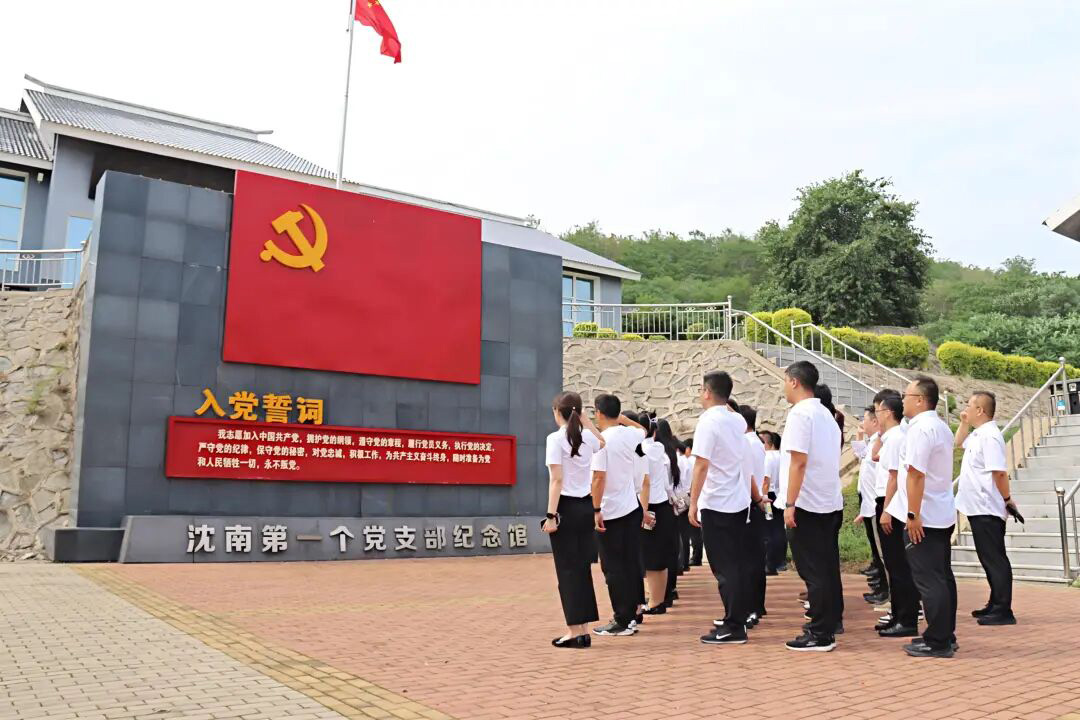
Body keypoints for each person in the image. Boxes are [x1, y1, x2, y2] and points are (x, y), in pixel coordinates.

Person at [887, 376, 958, 658]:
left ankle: (938, 641)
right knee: (942, 577)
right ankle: (945, 634)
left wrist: (913, 514)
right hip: (939, 512)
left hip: (924, 515)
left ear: (919, 400)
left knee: (929, 580)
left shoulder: (921, 429)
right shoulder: (940, 426)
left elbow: (916, 474)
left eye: (906, 395)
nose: (902, 400)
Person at [781, 361, 844, 652]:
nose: (784, 387)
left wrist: (790, 503)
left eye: (785, 380)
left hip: (807, 503)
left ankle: (820, 633)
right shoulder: (826, 415)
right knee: (827, 568)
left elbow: (798, 462)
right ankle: (827, 624)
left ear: (794, 381)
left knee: (813, 571)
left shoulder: (800, 414)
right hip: (828, 501)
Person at [689, 370, 754, 645]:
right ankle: (737, 618)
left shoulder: (708, 421)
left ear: (707, 392)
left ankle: (734, 625)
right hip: (737, 500)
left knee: (724, 568)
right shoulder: (737, 420)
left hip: (717, 502)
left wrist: (693, 502)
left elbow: (701, 464)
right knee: (735, 563)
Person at [543, 392, 605, 648]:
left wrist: (550, 516)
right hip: (585, 507)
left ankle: (574, 631)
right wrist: (586, 421)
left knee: (567, 572)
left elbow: (556, 480)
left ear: (557, 412)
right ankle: (583, 630)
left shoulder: (555, 439)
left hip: (566, 509)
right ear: (578, 413)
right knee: (581, 570)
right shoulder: (587, 437)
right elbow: (602, 442)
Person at [955, 391, 1017, 626]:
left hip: (987, 507)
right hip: (977, 506)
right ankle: (995, 602)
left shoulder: (990, 436)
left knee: (994, 558)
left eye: (969, 405)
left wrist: (1007, 498)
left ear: (980, 410)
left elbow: (999, 472)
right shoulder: (978, 434)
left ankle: (1003, 609)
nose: (965, 408)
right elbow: (958, 443)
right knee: (987, 558)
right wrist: (963, 422)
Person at [590, 394, 648, 637]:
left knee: (613, 568)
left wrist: (595, 510)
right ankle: (633, 613)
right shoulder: (629, 435)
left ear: (599, 413)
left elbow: (598, 478)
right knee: (630, 563)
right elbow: (643, 429)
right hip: (631, 508)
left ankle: (622, 620)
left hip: (610, 511)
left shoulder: (601, 441)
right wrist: (624, 419)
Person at [874, 389, 920, 639]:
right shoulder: (891, 437)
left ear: (889, 413)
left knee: (898, 564)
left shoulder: (895, 438)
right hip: (889, 502)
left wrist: (886, 511)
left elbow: (893, 477)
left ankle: (906, 618)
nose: (876, 415)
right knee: (893, 564)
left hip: (890, 503)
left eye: (878, 410)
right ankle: (898, 613)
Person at [639, 413, 675, 616]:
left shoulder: (641, 450)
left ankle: (653, 601)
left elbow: (643, 483)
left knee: (650, 558)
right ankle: (659, 599)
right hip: (662, 505)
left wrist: (642, 512)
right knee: (659, 558)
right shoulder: (659, 448)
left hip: (647, 505)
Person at [852, 406, 887, 605]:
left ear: (875, 421)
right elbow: (861, 456)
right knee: (877, 552)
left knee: (882, 553)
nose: (862, 422)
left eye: (864, 419)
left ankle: (886, 591)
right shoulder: (873, 442)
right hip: (870, 505)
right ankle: (882, 589)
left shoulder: (880, 443)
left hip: (876, 504)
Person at [739, 405, 769, 625]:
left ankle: (751, 608)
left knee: (748, 559)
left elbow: (747, 475)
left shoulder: (746, 443)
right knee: (755, 558)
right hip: (756, 500)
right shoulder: (756, 442)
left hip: (751, 500)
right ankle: (757, 605)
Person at [655, 418, 685, 605]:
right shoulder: (673, 454)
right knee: (671, 548)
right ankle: (671, 587)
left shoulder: (658, 454)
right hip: (672, 506)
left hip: (661, 503)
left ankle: (663, 591)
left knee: (659, 550)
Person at [760, 431, 787, 574]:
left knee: (768, 529)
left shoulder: (768, 457)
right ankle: (780, 562)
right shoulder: (783, 457)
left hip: (768, 497)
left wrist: (763, 496)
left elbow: (766, 480)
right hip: (780, 496)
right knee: (779, 528)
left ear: (768, 443)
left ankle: (770, 564)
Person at [681, 440, 703, 566]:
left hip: (690, 494)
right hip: (699, 493)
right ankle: (697, 556)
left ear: (689, 449)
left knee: (691, 528)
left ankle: (695, 557)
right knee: (696, 528)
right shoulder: (698, 460)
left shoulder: (688, 461)